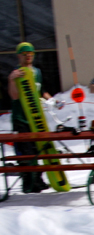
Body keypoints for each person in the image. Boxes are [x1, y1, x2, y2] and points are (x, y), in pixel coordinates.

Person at [7, 42, 52, 193]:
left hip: (36, 118)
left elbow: (41, 91)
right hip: (22, 119)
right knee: (26, 152)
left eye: (30, 54)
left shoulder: (36, 72)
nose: (28, 57)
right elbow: (14, 96)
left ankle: (38, 179)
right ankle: (29, 181)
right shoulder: (17, 73)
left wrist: (52, 100)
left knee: (38, 149)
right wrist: (12, 80)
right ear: (19, 56)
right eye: (25, 54)